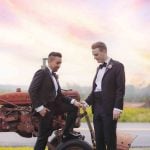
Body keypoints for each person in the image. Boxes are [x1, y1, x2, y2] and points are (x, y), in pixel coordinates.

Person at [28, 52, 82, 150]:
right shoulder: (42, 73)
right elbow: (32, 90)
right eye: (57, 63)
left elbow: (60, 96)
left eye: (60, 63)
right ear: (50, 62)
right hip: (45, 110)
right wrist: (40, 108)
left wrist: (74, 101)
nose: (59, 66)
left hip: (54, 107)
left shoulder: (54, 76)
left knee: (73, 108)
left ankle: (66, 133)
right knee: (43, 137)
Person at [83, 41, 125, 150]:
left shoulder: (118, 66)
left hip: (110, 109)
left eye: (96, 55)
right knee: (99, 139)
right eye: (93, 55)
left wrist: (117, 108)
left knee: (109, 138)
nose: (94, 57)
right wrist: (86, 102)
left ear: (104, 51)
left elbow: (120, 89)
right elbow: (96, 90)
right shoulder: (98, 68)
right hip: (97, 108)